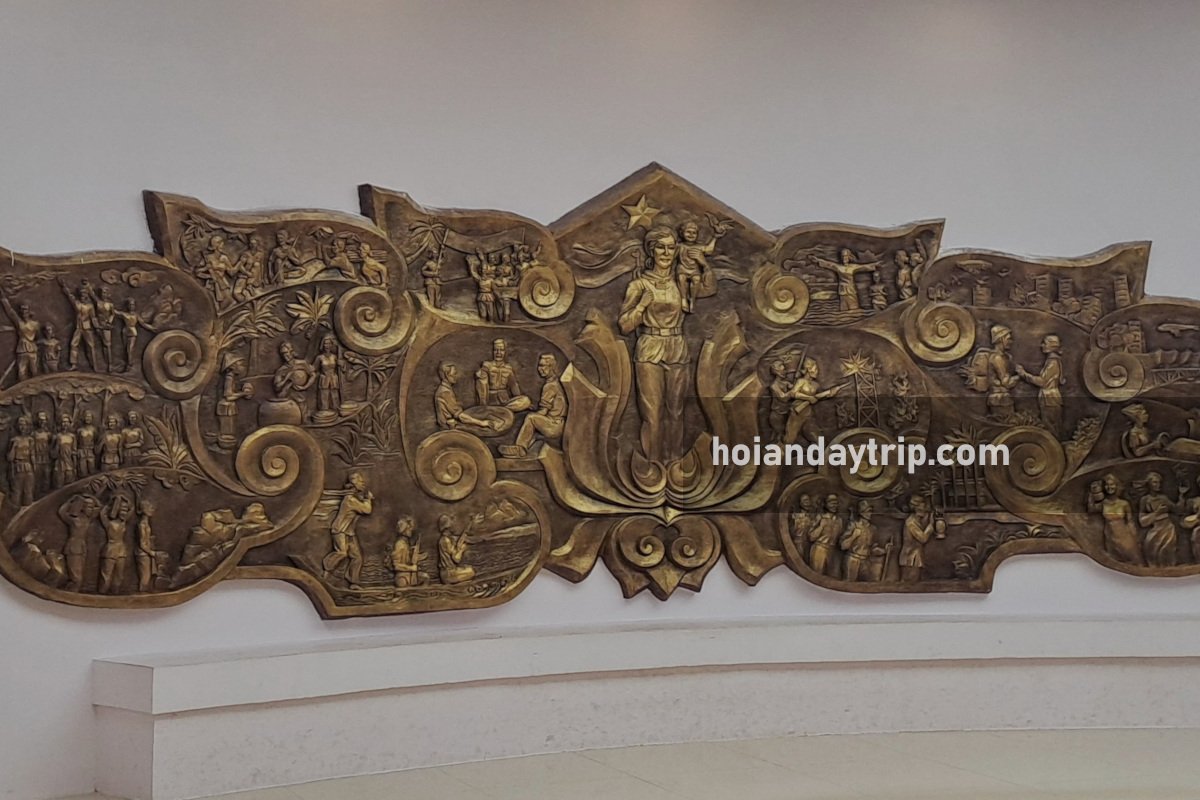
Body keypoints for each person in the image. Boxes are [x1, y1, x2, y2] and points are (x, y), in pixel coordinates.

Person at [618, 225, 691, 463]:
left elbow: (710, 286)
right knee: (652, 413)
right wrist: (641, 306)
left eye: (671, 248)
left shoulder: (681, 282)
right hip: (650, 347)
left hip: (676, 346)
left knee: (676, 412)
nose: (666, 253)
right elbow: (625, 325)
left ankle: (674, 464)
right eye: (661, 248)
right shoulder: (639, 285)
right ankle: (654, 464)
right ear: (651, 250)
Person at [499, 354, 566, 458]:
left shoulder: (550, 386)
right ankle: (521, 450)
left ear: (552, 367)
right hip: (558, 423)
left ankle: (519, 449)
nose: (540, 369)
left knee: (530, 418)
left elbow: (543, 411)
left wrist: (523, 412)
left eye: (543, 366)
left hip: (554, 425)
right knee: (532, 430)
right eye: (539, 365)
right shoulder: (556, 382)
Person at [321, 471, 373, 589]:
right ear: (354, 484)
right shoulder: (350, 500)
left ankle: (353, 582)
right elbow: (367, 510)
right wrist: (368, 499)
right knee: (342, 552)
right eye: (360, 481)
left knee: (357, 557)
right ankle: (326, 572)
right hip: (340, 530)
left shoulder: (353, 498)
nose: (363, 483)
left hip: (349, 532)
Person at [783, 358, 843, 445]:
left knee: (819, 440)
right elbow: (793, 393)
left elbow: (818, 397)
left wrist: (830, 393)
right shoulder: (801, 381)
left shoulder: (816, 385)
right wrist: (808, 398)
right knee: (789, 440)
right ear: (809, 369)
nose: (817, 372)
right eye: (816, 369)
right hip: (797, 414)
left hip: (808, 415)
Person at [1087, 473, 1143, 565]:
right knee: (1116, 561)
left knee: (1134, 558)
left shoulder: (1124, 504)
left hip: (1125, 536)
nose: (1109, 487)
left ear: (1117, 486)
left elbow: (1130, 521)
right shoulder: (1104, 503)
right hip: (1110, 537)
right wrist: (1091, 494)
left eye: (1112, 484)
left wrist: (1135, 537)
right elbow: (1091, 509)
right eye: (1107, 485)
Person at [1017, 334, 1065, 435]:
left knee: (1051, 428)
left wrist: (1023, 374)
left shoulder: (1053, 363)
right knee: (1050, 426)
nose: (1042, 345)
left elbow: (1042, 382)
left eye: (1045, 343)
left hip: (1050, 399)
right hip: (1048, 398)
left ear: (1052, 346)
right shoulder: (1051, 361)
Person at [434, 362, 501, 431]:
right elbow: (460, 416)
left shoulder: (446, 389)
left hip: (452, 424)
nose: (456, 376)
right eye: (454, 373)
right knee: (483, 428)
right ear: (446, 375)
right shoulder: (445, 392)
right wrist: (482, 423)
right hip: (449, 427)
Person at [811, 248, 881, 312]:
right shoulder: (839, 267)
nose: (844, 258)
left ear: (849, 257)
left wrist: (875, 264)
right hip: (842, 290)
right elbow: (829, 264)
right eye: (843, 256)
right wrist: (817, 260)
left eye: (846, 256)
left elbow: (864, 267)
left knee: (853, 308)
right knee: (844, 308)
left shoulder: (853, 267)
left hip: (851, 290)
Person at [59, 493, 100, 591]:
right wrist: (71, 500)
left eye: (92, 507)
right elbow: (62, 512)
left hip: (82, 547)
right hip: (73, 547)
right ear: (83, 507)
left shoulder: (88, 519)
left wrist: (92, 497)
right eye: (89, 507)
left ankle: (71, 592)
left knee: (79, 577)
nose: (91, 509)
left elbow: (99, 508)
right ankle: (69, 593)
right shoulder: (74, 520)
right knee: (76, 578)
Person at [1138, 472, 1180, 568]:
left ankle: (1169, 571)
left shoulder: (1163, 498)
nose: (1158, 485)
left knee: (1167, 554)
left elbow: (1178, 510)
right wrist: (1157, 512)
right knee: (1152, 552)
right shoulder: (1145, 500)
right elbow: (1142, 522)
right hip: (1155, 529)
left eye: (1159, 482)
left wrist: (1181, 495)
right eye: (1155, 482)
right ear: (1149, 484)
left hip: (1168, 529)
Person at [475, 339, 531, 410]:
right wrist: (483, 404)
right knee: (480, 376)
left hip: (505, 401)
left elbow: (513, 385)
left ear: (505, 352)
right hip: (491, 401)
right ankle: (489, 409)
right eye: (496, 350)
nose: (498, 353)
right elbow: (482, 386)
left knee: (526, 400)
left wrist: (519, 400)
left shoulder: (508, 368)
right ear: (492, 352)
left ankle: (502, 410)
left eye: (501, 350)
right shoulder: (487, 366)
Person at [60, 278, 100, 371]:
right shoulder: (77, 303)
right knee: (73, 344)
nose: (82, 296)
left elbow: (93, 318)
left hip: (87, 328)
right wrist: (64, 285)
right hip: (78, 327)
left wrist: (97, 327)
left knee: (91, 346)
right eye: (81, 294)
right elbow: (69, 295)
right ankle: (74, 364)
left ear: (87, 295)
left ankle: (94, 366)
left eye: (84, 294)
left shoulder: (90, 306)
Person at [0, 291, 39, 381]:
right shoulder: (19, 322)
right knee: (21, 373)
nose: (24, 312)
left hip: (32, 350)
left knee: (35, 372)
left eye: (25, 309)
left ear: (29, 311)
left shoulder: (35, 324)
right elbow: (10, 311)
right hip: (21, 350)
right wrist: (3, 297)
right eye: (22, 310)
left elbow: (38, 337)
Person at [99, 494, 133, 594]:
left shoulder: (123, 522)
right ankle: (102, 592)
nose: (124, 513)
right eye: (122, 510)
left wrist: (124, 498)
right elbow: (102, 513)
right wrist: (111, 502)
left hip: (121, 550)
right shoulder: (108, 523)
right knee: (106, 574)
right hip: (110, 550)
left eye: (125, 511)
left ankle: (115, 592)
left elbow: (132, 509)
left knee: (119, 575)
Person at [900, 494, 937, 582]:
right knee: (910, 585)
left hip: (916, 557)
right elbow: (923, 538)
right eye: (923, 506)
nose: (925, 509)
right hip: (910, 559)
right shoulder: (911, 523)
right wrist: (931, 526)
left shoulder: (917, 521)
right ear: (916, 508)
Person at [806, 494, 842, 577]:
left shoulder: (839, 520)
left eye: (836, 503)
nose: (834, 505)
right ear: (826, 504)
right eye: (831, 503)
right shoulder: (820, 517)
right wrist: (821, 526)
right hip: (820, 549)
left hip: (832, 551)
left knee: (831, 576)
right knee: (817, 574)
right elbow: (811, 537)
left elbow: (839, 537)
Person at [839, 500, 876, 581]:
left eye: (870, 511)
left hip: (865, 562)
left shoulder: (872, 529)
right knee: (849, 584)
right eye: (868, 511)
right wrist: (854, 536)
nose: (870, 514)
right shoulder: (853, 525)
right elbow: (843, 546)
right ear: (861, 513)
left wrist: (885, 549)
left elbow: (872, 548)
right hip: (853, 561)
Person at [437, 513, 477, 584]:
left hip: (448, 572)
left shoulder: (445, 539)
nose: (453, 527)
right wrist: (462, 549)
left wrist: (470, 524)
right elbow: (456, 559)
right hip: (449, 574)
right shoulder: (446, 540)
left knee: (467, 567)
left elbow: (459, 543)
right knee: (472, 571)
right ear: (447, 527)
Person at [313, 334, 343, 422]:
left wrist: (341, 364)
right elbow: (313, 369)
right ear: (322, 345)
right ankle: (325, 415)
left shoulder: (334, 357)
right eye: (325, 344)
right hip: (324, 379)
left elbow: (342, 369)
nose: (327, 346)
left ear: (331, 345)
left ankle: (336, 414)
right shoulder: (319, 357)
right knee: (324, 397)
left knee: (334, 397)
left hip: (333, 379)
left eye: (329, 343)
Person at [7, 415, 35, 507]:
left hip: (28, 468)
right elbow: (10, 458)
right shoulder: (14, 440)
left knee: (28, 491)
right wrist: (14, 447)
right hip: (17, 468)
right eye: (20, 424)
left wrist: (34, 468)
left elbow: (32, 455)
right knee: (16, 492)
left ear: (27, 426)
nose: (22, 427)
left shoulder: (30, 440)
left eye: (24, 424)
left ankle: (28, 512)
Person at [391, 516, 422, 588]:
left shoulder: (406, 543)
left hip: (409, 574)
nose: (411, 530)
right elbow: (396, 566)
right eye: (409, 528)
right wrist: (411, 568)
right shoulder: (400, 544)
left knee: (425, 578)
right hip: (402, 577)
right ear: (404, 530)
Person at [51, 412, 78, 489]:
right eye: (63, 422)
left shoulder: (72, 437)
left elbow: (74, 452)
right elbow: (53, 455)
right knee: (58, 486)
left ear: (69, 423)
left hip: (69, 464)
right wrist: (57, 444)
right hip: (59, 464)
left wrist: (75, 466)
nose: (65, 424)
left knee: (69, 487)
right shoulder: (57, 436)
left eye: (67, 422)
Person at [76, 411, 98, 477]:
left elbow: (96, 440)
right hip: (82, 451)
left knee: (92, 470)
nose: (88, 418)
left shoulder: (94, 430)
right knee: (82, 471)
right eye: (86, 416)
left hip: (91, 451)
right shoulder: (79, 430)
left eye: (89, 417)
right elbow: (77, 441)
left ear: (92, 418)